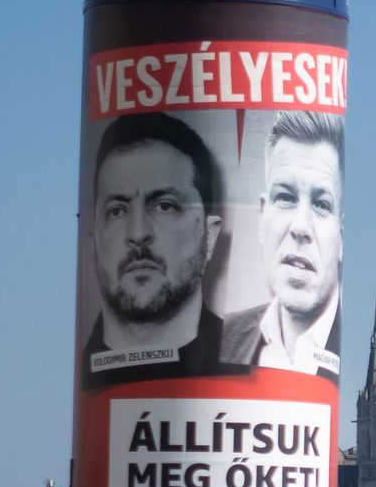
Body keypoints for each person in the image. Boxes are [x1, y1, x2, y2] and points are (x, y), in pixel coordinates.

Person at [82, 112, 228, 386]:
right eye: (117, 211)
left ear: (210, 234)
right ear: (94, 240)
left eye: (164, 206)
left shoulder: (257, 370)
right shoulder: (80, 385)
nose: (138, 233)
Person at [221, 110, 344, 378]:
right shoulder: (227, 336)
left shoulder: (336, 346)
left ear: (341, 235)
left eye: (321, 204)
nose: (300, 228)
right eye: (286, 197)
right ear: (262, 215)